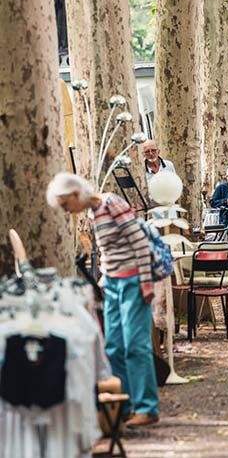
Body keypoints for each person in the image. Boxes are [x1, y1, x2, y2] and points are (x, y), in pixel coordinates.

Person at [47, 173, 159, 427]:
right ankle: (123, 404)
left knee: (135, 345)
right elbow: (109, 251)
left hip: (133, 281)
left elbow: (140, 243)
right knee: (114, 347)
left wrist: (146, 282)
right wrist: (104, 281)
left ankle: (147, 406)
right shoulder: (92, 213)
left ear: (76, 194)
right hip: (113, 284)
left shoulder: (111, 203)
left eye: (66, 205)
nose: (66, 211)